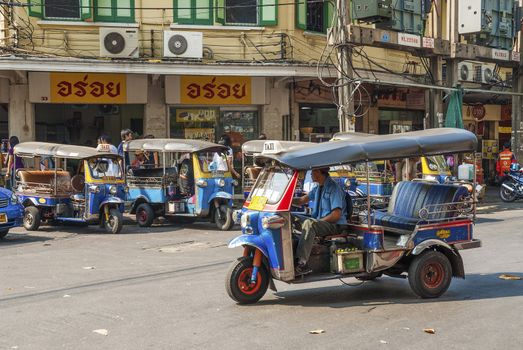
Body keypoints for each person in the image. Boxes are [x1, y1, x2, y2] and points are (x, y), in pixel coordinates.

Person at [292, 167, 347, 275]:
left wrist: (318, 222)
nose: (311, 174)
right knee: (292, 218)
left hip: (335, 225)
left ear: (318, 172)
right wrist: (286, 200)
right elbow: (301, 200)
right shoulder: (317, 188)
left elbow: (336, 215)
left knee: (309, 224)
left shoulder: (334, 188)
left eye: (312, 172)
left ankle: (302, 263)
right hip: (320, 222)